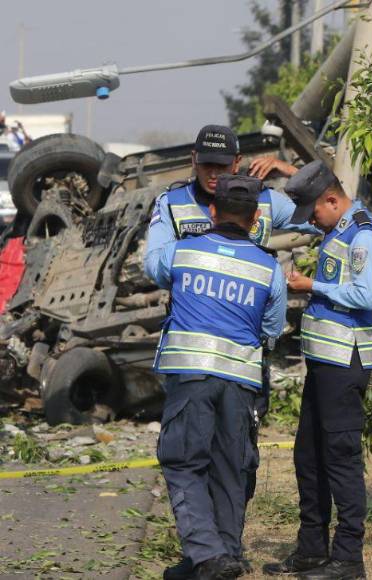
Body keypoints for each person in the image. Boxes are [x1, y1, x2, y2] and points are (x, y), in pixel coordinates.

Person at [149, 175, 287, 580]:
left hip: (191, 376)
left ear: (212, 211)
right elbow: (273, 329)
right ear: (255, 217)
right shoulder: (269, 269)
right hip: (241, 383)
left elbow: (152, 266)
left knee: (184, 464)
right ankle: (224, 556)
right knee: (230, 470)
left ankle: (207, 555)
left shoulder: (180, 253)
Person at [263, 161, 372, 580]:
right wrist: (288, 169)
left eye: (314, 213)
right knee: (308, 457)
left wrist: (311, 286)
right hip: (322, 362)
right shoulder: (337, 224)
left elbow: (367, 294)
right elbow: (319, 188)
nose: (311, 222)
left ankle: (348, 558)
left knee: (341, 460)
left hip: (345, 363)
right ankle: (312, 549)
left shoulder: (364, 232)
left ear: (332, 201)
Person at [144, 124, 316, 282]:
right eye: (207, 164)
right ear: (194, 160)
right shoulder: (171, 203)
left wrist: (294, 174)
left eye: (221, 165)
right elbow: (153, 265)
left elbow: (329, 220)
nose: (213, 173)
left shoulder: (265, 200)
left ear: (236, 162)